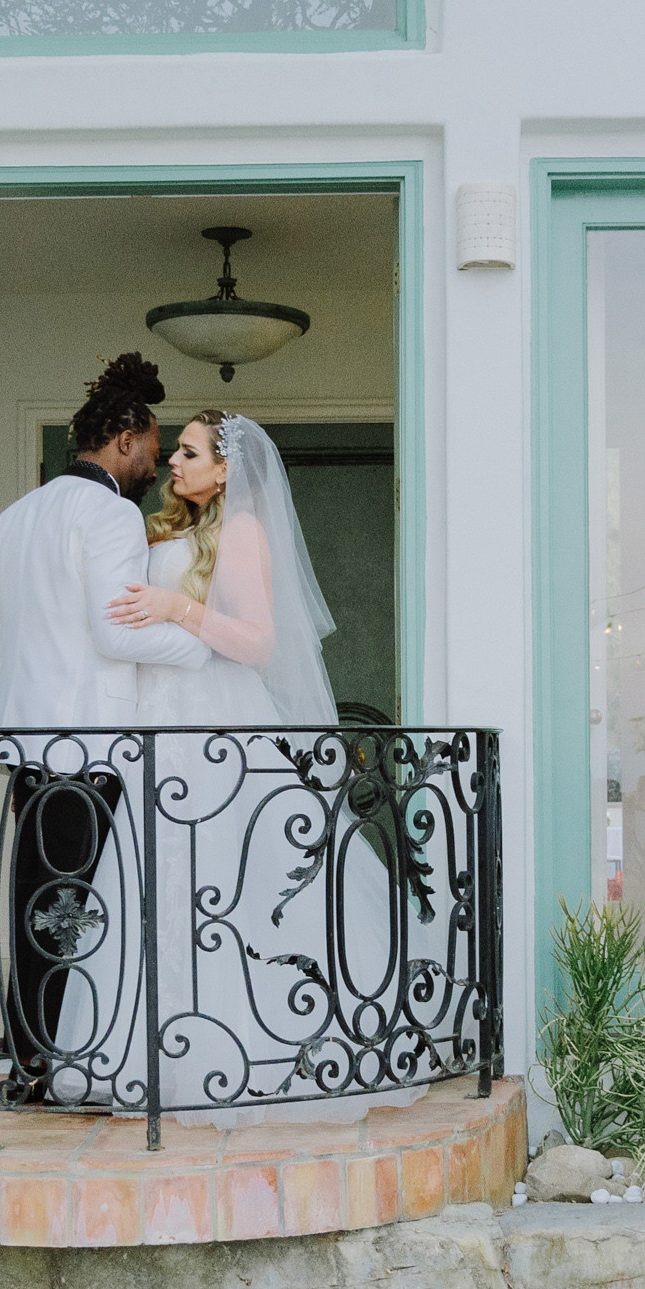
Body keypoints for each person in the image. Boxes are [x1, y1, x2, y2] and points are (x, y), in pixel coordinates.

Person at [107, 410, 419, 1121]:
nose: (173, 462)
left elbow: (256, 642)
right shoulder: (173, 528)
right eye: (176, 452)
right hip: (165, 718)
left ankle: (263, 1045)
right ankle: (159, 1051)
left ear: (225, 470)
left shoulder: (243, 531)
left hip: (218, 721)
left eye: (189, 453)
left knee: (233, 877)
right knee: (166, 876)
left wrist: (175, 607)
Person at [0, 352, 209, 1100]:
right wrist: (200, 647)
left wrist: (16, 737)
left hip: (29, 748)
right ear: (123, 438)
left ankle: (30, 1059)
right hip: (89, 747)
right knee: (74, 910)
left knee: (37, 907)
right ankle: (47, 1061)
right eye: (153, 446)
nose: (155, 463)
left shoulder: (16, 516)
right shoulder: (110, 513)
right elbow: (118, 632)